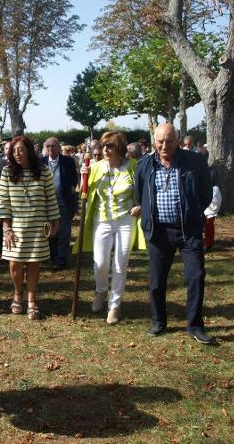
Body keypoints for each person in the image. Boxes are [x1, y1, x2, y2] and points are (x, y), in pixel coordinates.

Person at [135, 123, 214, 344]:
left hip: (188, 230)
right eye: (160, 141)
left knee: (196, 276)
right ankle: (158, 322)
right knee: (157, 280)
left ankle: (195, 325)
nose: (164, 145)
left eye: (169, 140)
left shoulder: (194, 162)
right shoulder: (145, 164)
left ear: (177, 140)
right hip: (159, 231)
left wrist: (194, 212)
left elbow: (206, 193)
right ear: (154, 141)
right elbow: (140, 193)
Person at [78, 132, 142, 325]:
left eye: (110, 146)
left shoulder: (132, 166)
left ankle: (114, 305)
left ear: (120, 148)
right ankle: (100, 291)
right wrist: (83, 175)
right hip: (102, 220)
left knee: (120, 264)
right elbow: (82, 191)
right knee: (100, 263)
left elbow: (142, 189)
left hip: (125, 220)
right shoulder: (95, 167)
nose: (105, 149)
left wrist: (140, 205)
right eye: (104, 146)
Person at [0, 136, 60, 319]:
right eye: (14, 151)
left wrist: (55, 222)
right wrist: (7, 229)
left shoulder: (43, 171)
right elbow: (2, 202)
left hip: (37, 226)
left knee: (33, 264)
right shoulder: (7, 172)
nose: (17, 154)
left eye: (21, 150)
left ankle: (32, 300)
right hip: (15, 228)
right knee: (15, 264)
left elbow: (50, 199)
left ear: (29, 151)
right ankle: (17, 294)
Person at [42, 137, 77, 270]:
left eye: (53, 146)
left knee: (64, 233)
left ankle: (61, 260)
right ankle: (53, 256)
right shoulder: (42, 162)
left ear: (58, 147)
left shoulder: (68, 161)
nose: (50, 149)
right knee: (51, 232)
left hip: (64, 202)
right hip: (46, 204)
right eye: (48, 146)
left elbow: (74, 181)